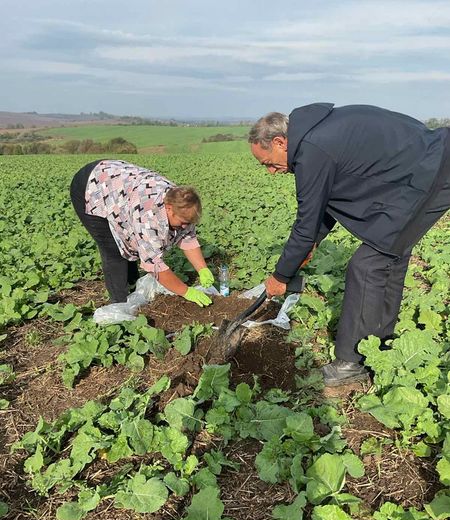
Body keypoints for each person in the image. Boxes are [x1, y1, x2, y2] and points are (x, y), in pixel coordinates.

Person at [248, 103, 450, 386]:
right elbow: (325, 205)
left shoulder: (313, 150)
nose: (271, 171)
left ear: (280, 142)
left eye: (268, 162)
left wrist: (280, 277)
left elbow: (306, 221)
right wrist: (314, 242)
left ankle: (350, 363)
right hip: (429, 167)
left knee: (368, 265)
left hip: (430, 174)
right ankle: (377, 344)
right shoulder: (317, 132)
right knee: (387, 256)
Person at [70, 159, 214, 307]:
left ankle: (133, 286)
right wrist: (186, 291)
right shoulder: (148, 218)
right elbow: (154, 264)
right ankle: (119, 304)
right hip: (93, 188)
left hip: (118, 185)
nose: (185, 226)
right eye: (183, 222)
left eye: (189, 223)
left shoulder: (182, 203)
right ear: (169, 208)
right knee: (113, 249)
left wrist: (202, 269)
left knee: (132, 244)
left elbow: (188, 237)